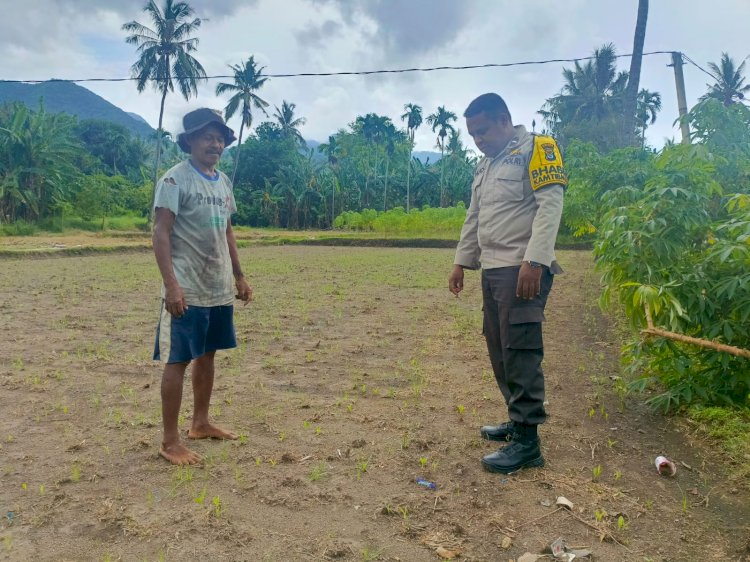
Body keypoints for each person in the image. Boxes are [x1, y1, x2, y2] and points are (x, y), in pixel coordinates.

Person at [448, 93, 566, 474]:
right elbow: (474, 216)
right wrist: (461, 262)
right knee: (499, 347)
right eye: (473, 134)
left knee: (521, 349)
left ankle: (528, 443)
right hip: (493, 269)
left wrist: (535, 260)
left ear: (504, 120)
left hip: (522, 268)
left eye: (482, 131)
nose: (478, 139)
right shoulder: (485, 165)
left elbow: (550, 205)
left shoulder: (539, 148)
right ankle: (517, 423)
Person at [152, 108, 253, 465]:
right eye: (207, 137)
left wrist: (238, 276)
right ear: (190, 141)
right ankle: (169, 441)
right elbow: (160, 233)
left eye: (220, 138)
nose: (215, 143)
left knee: (208, 354)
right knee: (178, 359)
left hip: (216, 286)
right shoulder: (175, 180)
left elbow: (227, 231)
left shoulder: (222, 181)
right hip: (187, 287)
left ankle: (201, 423)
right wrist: (172, 286)